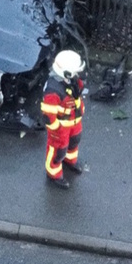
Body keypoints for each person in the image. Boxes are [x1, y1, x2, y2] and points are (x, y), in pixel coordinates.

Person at [41, 49, 86, 189]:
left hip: (74, 121)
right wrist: (55, 129)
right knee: (58, 150)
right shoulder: (53, 90)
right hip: (61, 126)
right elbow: (48, 115)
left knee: (74, 142)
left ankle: (70, 160)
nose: (78, 74)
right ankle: (53, 173)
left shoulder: (71, 81)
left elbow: (77, 94)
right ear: (66, 72)